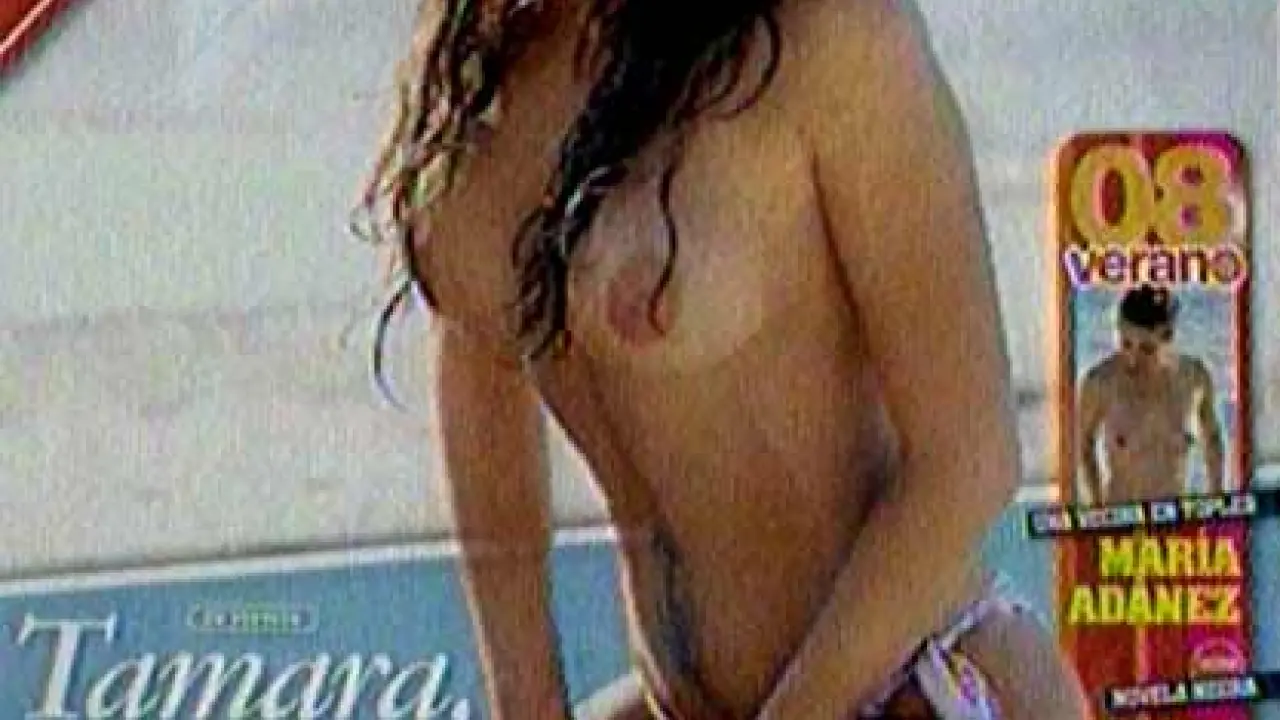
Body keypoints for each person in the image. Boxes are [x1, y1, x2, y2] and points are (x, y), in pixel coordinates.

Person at [356, 0, 1087, 717]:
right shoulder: (485, 70)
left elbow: (968, 464)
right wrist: (529, 702)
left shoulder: (824, 37)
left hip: (913, 685)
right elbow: (482, 396)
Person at [1076, 285, 1225, 504]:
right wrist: (1096, 504)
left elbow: (1212, 439)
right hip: (1122, 513)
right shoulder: (1101, 383)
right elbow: (1083, 444)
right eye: (1126, 344)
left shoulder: (1194, 379)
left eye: (1147, 349)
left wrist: (1216, 496)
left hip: (1176, 514)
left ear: (1168, 337)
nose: (1133, 359)